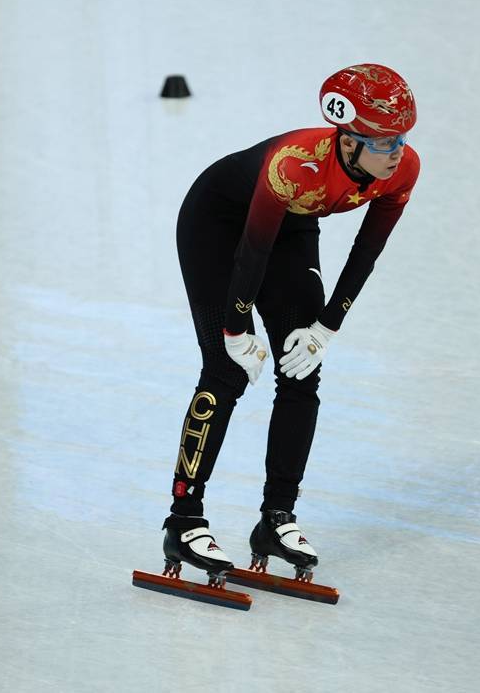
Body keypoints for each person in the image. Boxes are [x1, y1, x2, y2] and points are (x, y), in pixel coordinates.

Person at [161, 64, 420, 584]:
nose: (396, 152)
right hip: (218, 223)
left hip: (291, 223)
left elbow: (368, 250)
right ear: (348, 140)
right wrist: (237, 330)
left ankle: (276, 519)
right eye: (384, 141)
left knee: (301, 370)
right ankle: (183, 520)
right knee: (225, 372)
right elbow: (250, 251)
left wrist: (326, 327)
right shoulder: (296, 164)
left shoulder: (405, 168)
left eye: (401, 139)